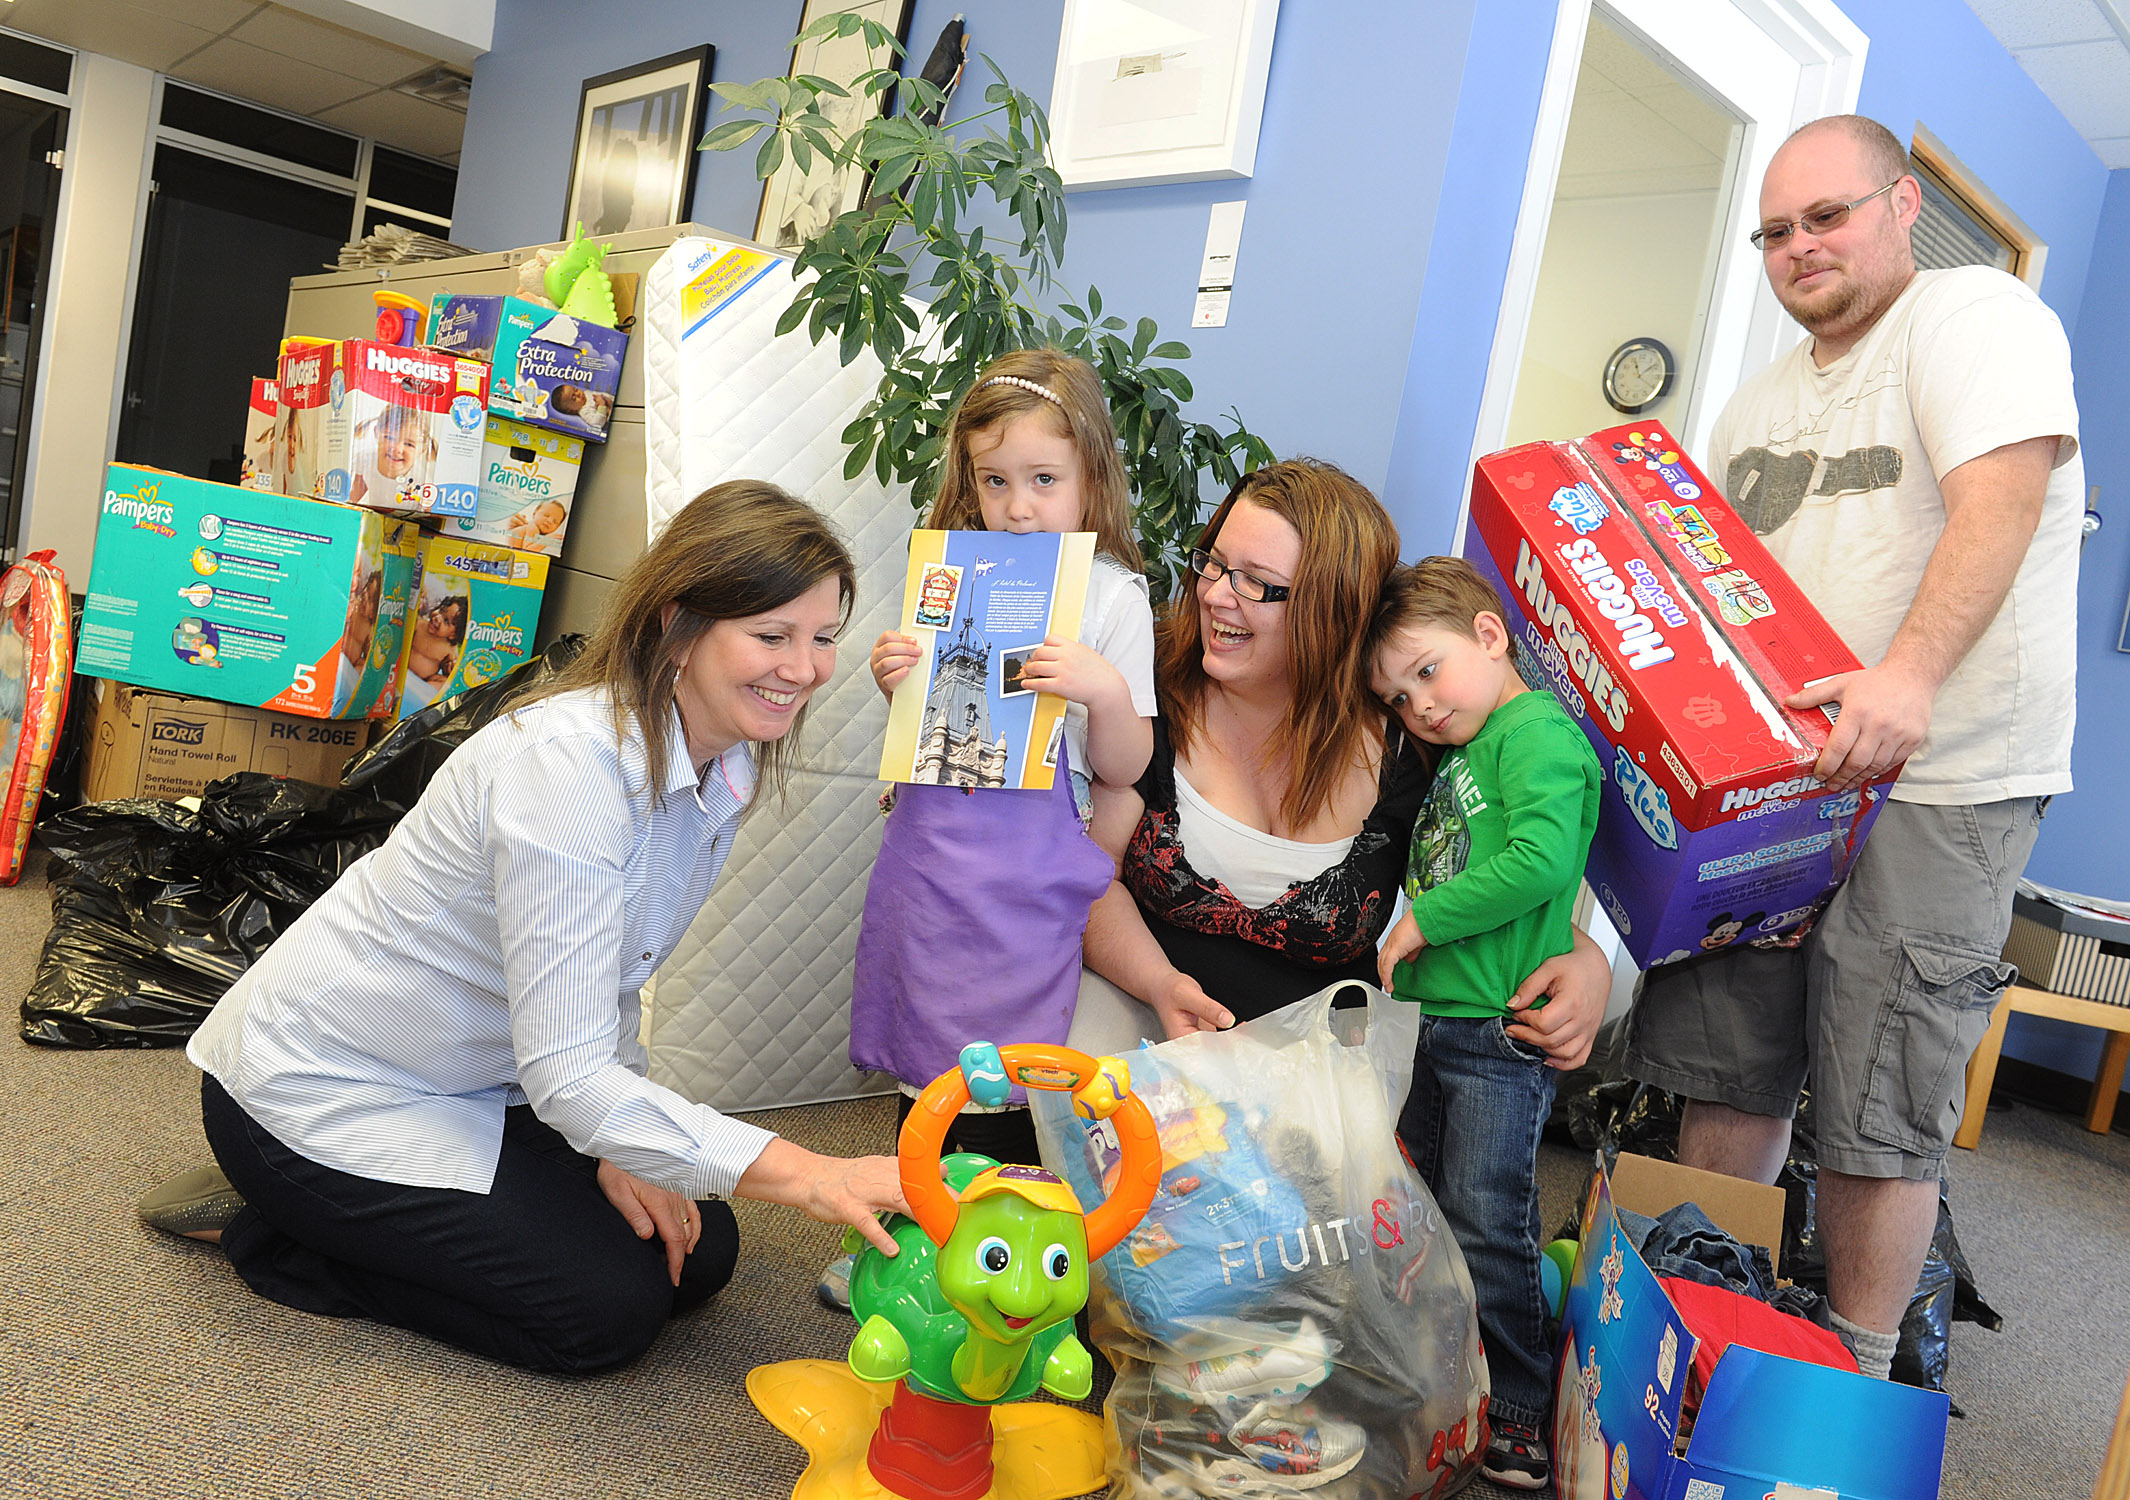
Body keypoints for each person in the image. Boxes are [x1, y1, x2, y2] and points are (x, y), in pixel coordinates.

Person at [135, 480, 911, 1376]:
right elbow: (571, 1075)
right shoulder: (568, 772)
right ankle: (271, 1230)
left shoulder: (720, 759)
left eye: (822, 638)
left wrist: (626, 1142)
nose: (805, 669)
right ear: (678, 625)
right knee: (601, 1316)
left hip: (477, 1074)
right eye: (772, 637)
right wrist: (816, 1175)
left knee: (701, 1253)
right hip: (314, 1091)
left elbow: (613, 979)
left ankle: (372, 1218)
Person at [1621, 115, 2083, 1381]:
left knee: (1881, 1103)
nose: (1798, 247)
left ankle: (1850, 1380)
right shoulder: (1755, 402)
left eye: (1826, 216)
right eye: (1775, 231)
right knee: (1729, 1063)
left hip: (1938, 781)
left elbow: (2006, 498)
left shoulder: (1976, 319)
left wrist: (1908, 676)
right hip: (1774, 796)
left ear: (1900, 205)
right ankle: (1708, 1341)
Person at [1075, 460, 1612, 1489]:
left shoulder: (1413, 742)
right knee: (1118, 1254)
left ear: (1330, 613)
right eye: (1214, 566)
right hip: (1145, 1014)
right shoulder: (1146, 697)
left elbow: (1523, 871)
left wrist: (1583, 962)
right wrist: (1159, 986)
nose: (1219, 598)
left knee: (1336, 1328)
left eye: (1259, 586)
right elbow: (1081, 881)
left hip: (1309, 1073)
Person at [849, 349, 1158, 1172]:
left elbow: (1128, 767)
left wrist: (1106, 695)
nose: (1017, 508)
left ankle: (988, 1240)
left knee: (1008, 1056)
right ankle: (911, 1216)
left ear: (1092, 476)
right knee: (924, 1039)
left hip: (1029, 880)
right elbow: (927, 725)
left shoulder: (1113, 596)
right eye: (995, 482)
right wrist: (897, 684)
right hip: (932, 862)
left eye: (1044, 480)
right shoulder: (953, 571)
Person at [1370, 557, 1601, 1491]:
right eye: (1397, 695)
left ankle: (1518, 1404)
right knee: (1414, 1197)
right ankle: (1438, 1369)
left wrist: (1422, 919)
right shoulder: (1471, 747)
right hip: (1445, 1023)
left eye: (1428, 671)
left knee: (1484, 1218)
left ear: (1490, 635)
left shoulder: (1533, 732)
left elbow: (1545, 859)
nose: (1418, 704)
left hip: (1496, 1036)